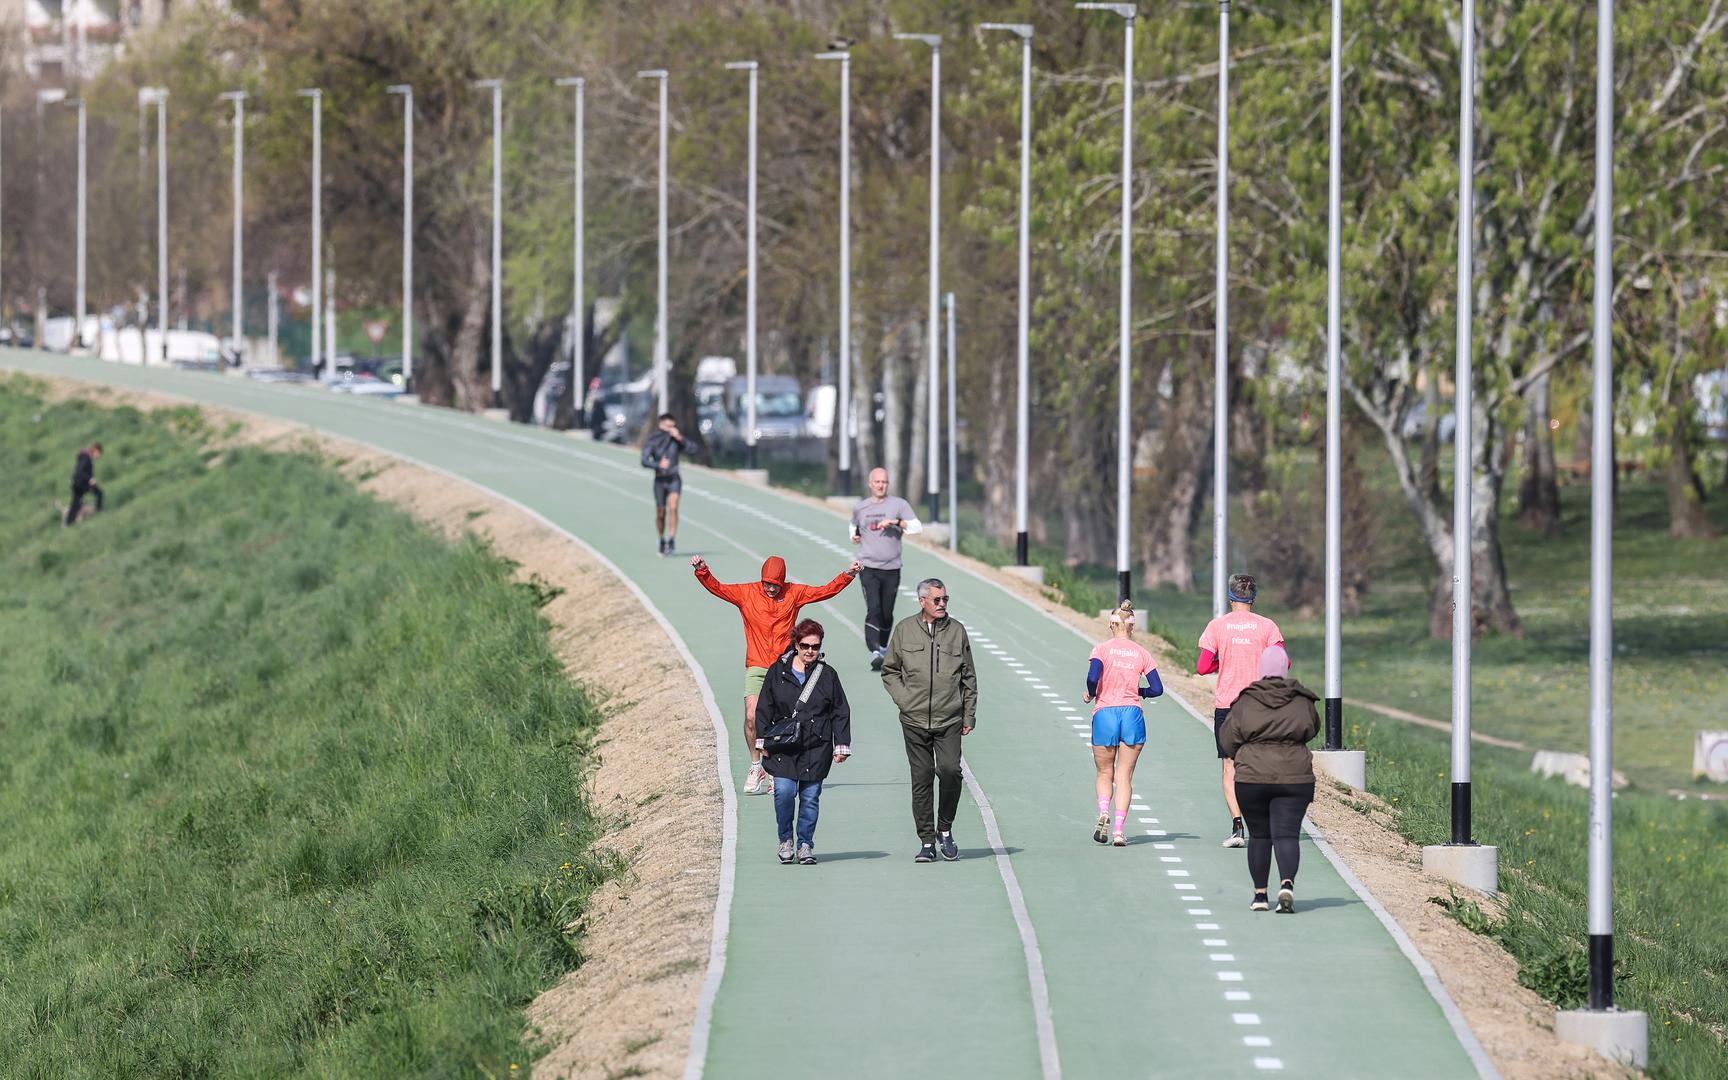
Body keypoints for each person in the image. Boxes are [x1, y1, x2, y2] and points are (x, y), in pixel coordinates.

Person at [692, 554, 860, 795]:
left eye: (775, 585)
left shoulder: (794, 593)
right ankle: (756, 766)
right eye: (767, 584)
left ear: (783, 582)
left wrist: (848, 575)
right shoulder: (746, 593)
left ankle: (776, 769)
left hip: (784, 669)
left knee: (781, 721)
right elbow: (717, 588)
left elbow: (824, 591)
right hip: (757, 665)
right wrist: (702, 570)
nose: (771, 589)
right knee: (752, 716)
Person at [880, 577, 977, 863]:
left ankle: (944, 829)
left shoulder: (957, 631)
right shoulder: (904, 630)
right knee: (921, 777)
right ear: (922, 601)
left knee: (950, 771)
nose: (942, 603)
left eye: (945, 599)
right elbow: (890, 671)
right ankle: (926, 841)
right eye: (937, 599)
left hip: (949, 718)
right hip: (914, 719)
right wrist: (905, 699)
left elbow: (969, 677)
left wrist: (969, 714)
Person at [1219, 645, 1317, 913]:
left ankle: (1260, 896)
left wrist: (1244, 753)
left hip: (1252, 776)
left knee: (1260, 836)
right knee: (1287, 835)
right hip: (1295, 776)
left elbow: (1228, 740)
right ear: (1286, 669)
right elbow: (1312, 729)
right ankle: (1287, 884)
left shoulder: (1246, 701)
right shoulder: (1302, 700)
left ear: (1261, 669)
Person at [1197, 574, 1285, 848]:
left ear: (1230, 597)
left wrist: (1222, 662)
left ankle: (1238, 828)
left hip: (1228, 706)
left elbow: (1202, 667)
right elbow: (1283, 662)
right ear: (1253, 598)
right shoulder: (1268, 626)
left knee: (1230, 766)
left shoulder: (1217, 626)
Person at [755, 618, 852, 865]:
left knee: (810, 798)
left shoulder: (828, 675)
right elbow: (764, 707)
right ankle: (785, 840)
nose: (810, 651)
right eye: (805, 646)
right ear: (796, 644)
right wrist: (762, 741)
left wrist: (841, 745)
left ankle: (805, 845)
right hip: (783, 746)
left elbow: (840, 710)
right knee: (784, 792)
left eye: (815, 646)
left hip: (816, 746)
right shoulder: (777, 671)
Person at [1083, 600, 1163, 846]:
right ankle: (1118, 830)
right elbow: (1157, 688)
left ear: (1111, 625)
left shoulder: (1101, 650)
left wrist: (1092, 693)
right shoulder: (1142, 653)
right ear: (1132, 627)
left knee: (1104, 772)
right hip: (1131, 714)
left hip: (1105, 713)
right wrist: (1140, 692)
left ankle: (1103, 812)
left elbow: (1092, 677)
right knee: (1124, 776)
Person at [850, 467, 922, 671]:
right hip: (868, 566)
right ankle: (874, 651)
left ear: (888, 484)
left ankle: (882, 647)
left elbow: (917, 527)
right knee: (873, 608)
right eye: (877, 482)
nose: (881, 485)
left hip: (892, 568)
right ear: (870, 484)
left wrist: (896, 522)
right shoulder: (861, 507)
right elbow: (853, 526)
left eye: (884, 482)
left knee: (887, 613)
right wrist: (854, 537)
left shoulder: (899, 505)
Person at [642, 413, 686, 555]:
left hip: (674, 479)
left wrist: (679, 438)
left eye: (673, 426)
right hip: (660, 480)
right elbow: (644, 460)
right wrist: (658, 465)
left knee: (673, 507)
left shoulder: (676, 439)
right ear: (661, 424)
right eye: (668, 426)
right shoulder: (653, 439)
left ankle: (672, 539)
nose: (671, 429)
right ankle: (661, 538)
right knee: (661, 513)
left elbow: (692, 449)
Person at [64, 443, 104, 526]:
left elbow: (79, 471)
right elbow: (81, 471)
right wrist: (90, 479)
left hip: (77, 482)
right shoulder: (86, 458)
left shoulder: (85, 457)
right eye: (99, 454)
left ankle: (68, 523)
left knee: (75, 504)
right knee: (99, 493)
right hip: (81, 483)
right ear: (96, 451)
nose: (99, 457)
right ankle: (98, 512)